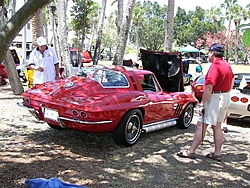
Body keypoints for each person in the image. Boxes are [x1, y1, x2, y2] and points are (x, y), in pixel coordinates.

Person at [177, 43, 234, 162]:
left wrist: (202, 104)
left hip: (215, 98)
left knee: (201, 124)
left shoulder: (215, 66)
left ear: (212, 53)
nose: (208, 55)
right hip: (226, 95)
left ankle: (191, 151)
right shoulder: (227, 65)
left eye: (209, 52)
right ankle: (217, 153)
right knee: (217, 125)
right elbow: (232, 80)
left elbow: (209, 87)